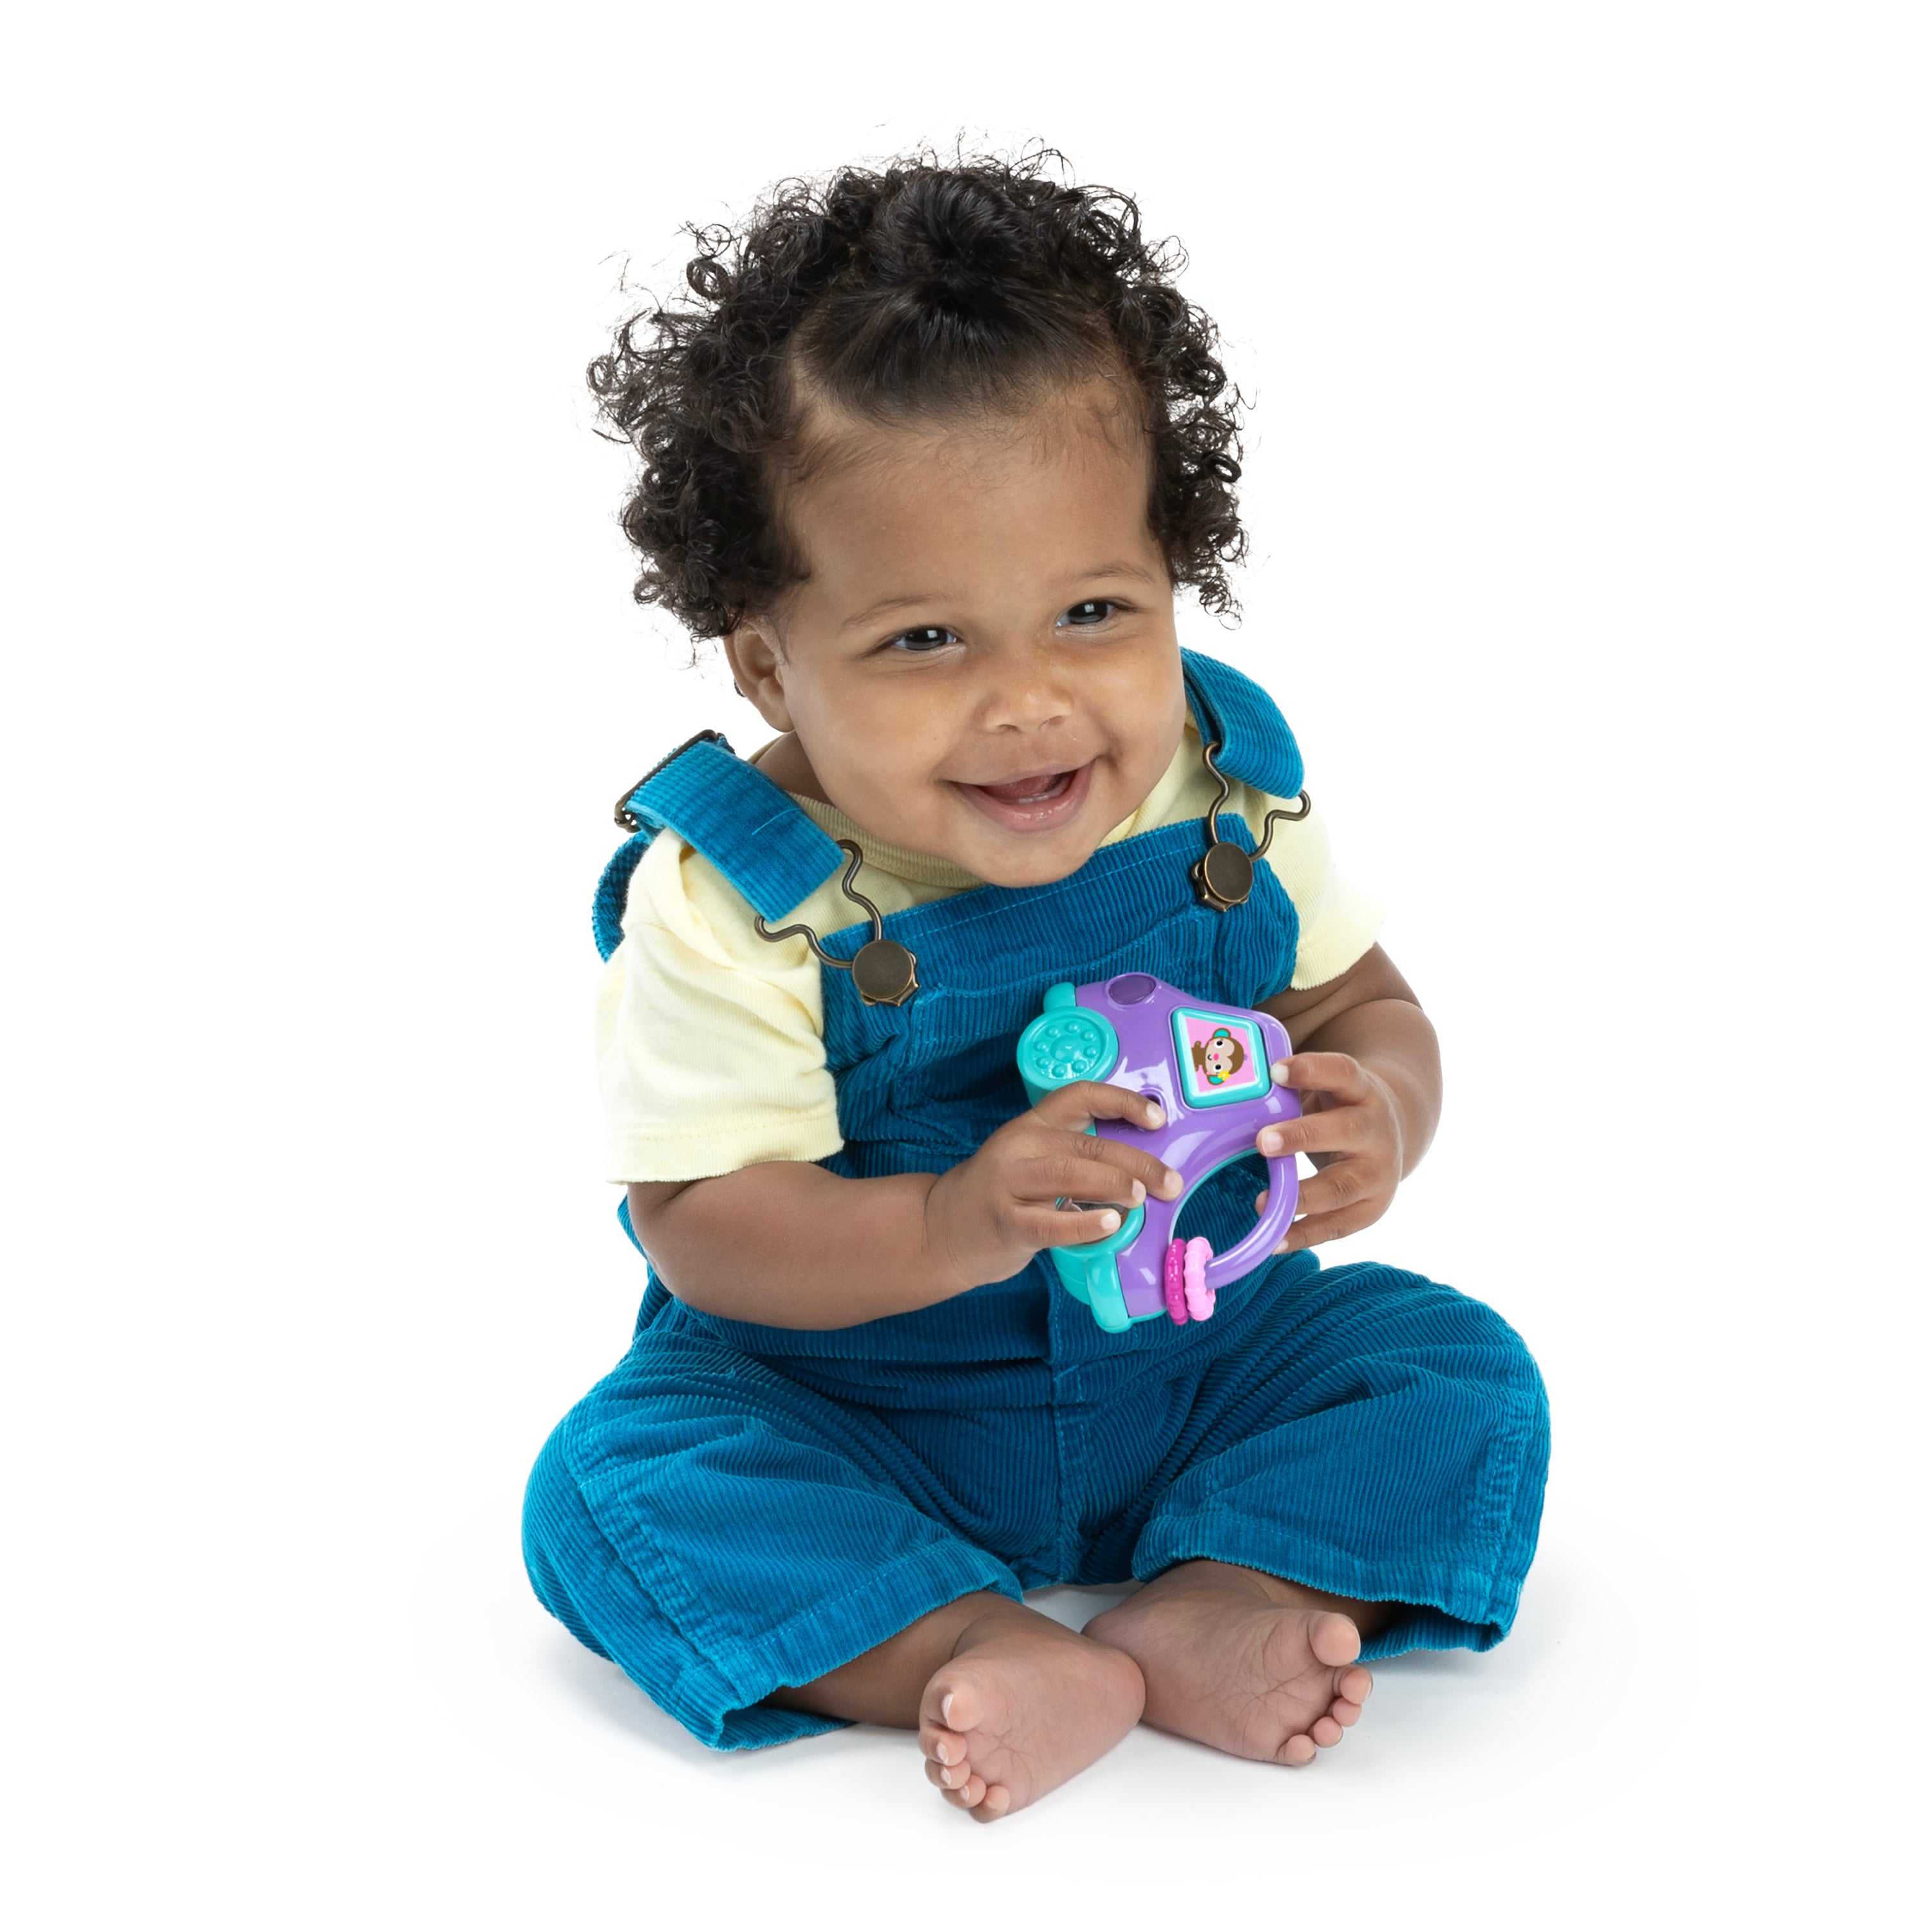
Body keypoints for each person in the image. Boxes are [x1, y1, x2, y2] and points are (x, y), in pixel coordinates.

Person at [524, 152, 1549, 1823]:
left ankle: (1230, 1582)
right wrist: (950, 1223)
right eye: (926, 641)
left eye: (1090, 611)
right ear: (770, 661)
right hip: (852, 1405)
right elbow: (702, 1223)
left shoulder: (1222, 795)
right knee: (616, 1486)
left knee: (1450, 1367)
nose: (1028, 704)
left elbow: (1364, 1004)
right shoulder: (738, 903)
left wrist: (1383, 1111)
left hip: (1203, 1365)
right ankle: (957, 1634)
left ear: (1171, 581)